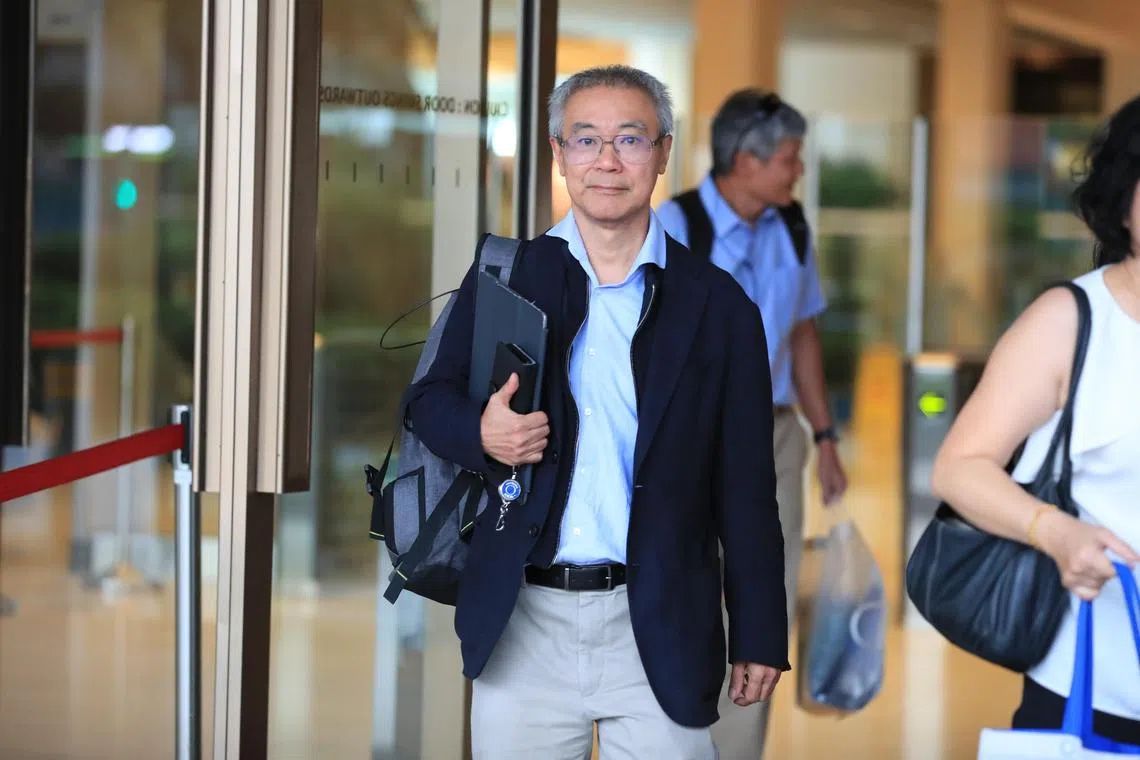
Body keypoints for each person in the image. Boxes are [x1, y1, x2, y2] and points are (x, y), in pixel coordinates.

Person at [406, 65, 789, 758]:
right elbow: (426, 402)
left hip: (660, 623)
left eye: (630, 139)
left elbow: (748, 491)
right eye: (585, 140)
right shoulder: (506, 277)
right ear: (558, 154)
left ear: (663, 152)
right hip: (523, 621)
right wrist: (483, 433)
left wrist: (760, 631)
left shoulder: (719, 306)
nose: (607, 161)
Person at [931, 94, 1140, 744]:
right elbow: (961, 467)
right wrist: (1055, 533)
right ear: (1123, 199)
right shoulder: (1071, 322)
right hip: (1096, 685)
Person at [656, 89, 848, 755]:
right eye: (790, 159)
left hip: (775, 433)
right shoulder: (673, 228)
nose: (798, 171)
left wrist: (824, 437)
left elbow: (802, 334)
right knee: (687, 585)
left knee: (765, 592)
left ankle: (737, 749)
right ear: (746, 160)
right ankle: (675, 738)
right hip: (691, 438)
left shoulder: (792, 226)